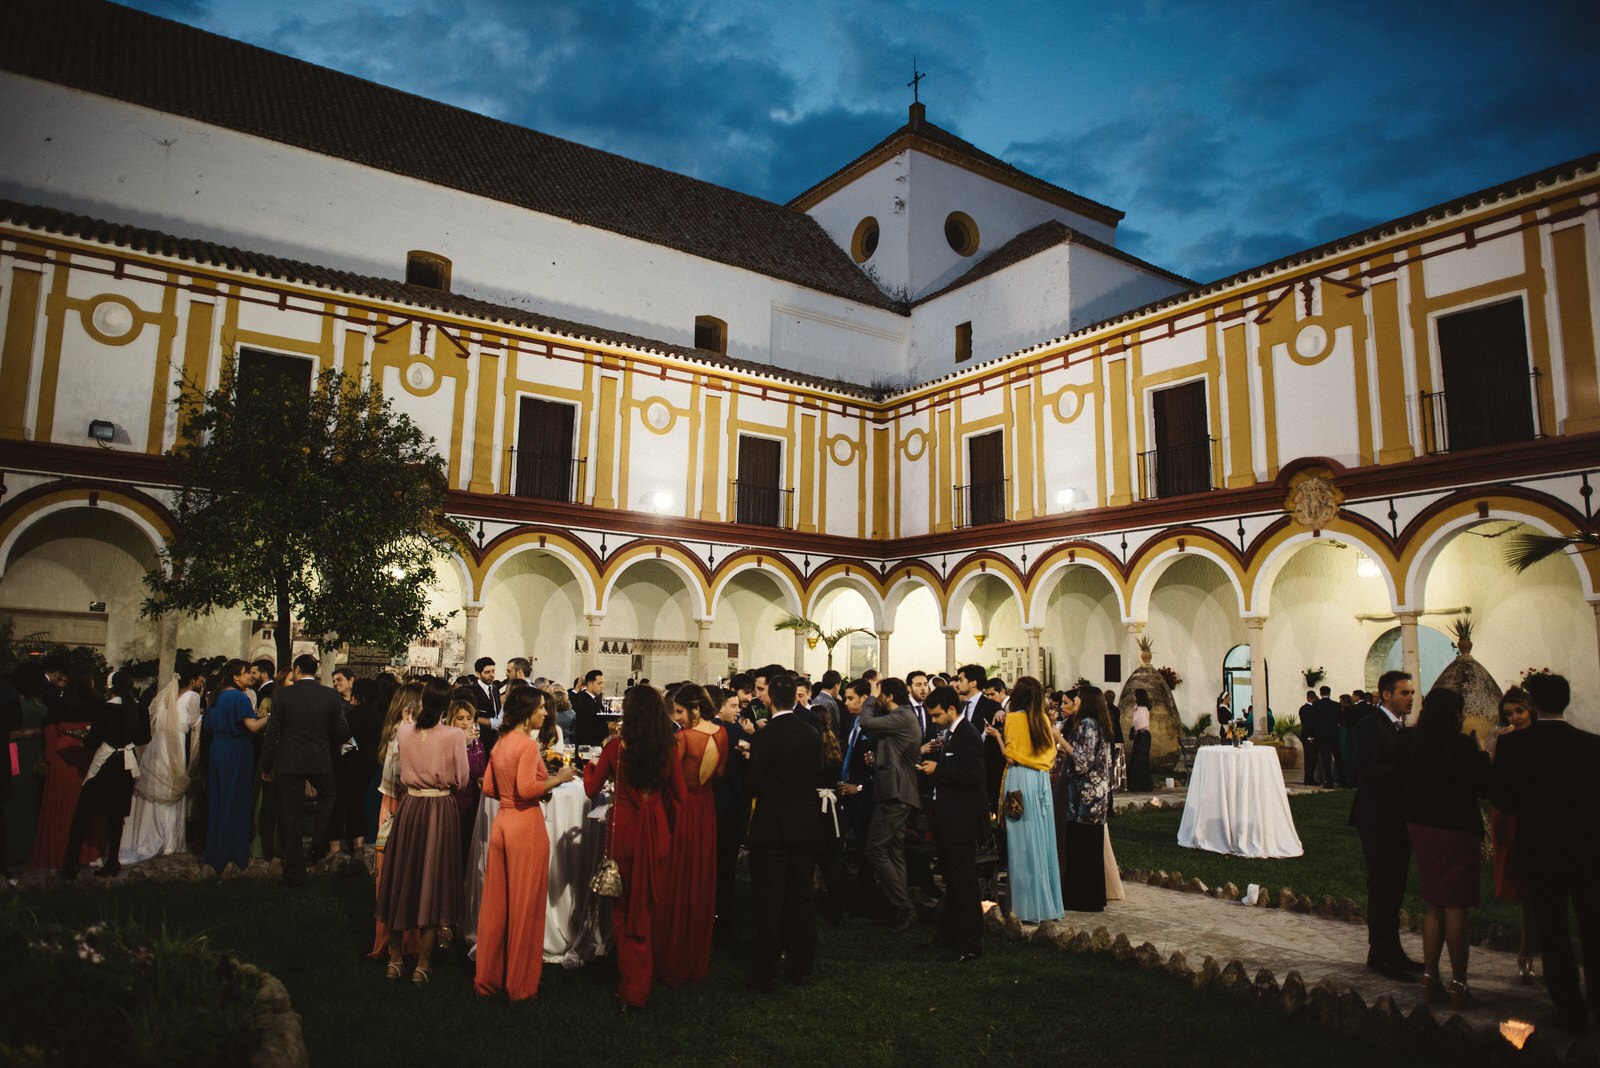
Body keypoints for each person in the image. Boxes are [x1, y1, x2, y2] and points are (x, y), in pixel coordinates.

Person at [1492, 673, 1600, 1036]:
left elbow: (1503, 799)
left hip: (1541, 847)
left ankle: (1569, 1007)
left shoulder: (1515, 746)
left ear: (1534, 703)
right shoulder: (1592, 745)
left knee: (1553, 930)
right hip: (1587, 847)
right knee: (1593, 925)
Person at [583, 684, 686, 1009]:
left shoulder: (616, 747)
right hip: (655, 831)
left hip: (624, 831)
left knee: (623, 911)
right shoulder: (668, 748)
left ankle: (633, 987)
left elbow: (591, 789)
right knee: (646, 906)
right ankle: (639, 982)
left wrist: (589, 767)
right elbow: (681, 795)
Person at [474, 686, 577, 1000]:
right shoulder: (528, 745)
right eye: (541, 708)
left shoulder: (502, 742)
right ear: (527, 711)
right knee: (525, 905)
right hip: (525, 825)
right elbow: (526, 788)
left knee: (496, 905)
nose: (545, 713)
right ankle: (519, 985)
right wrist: (559, 779)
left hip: (502, 824)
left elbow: (490, 787)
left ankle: (487, 979)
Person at [1398, 687, 1491, 1008]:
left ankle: (1429, 978)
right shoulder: (1463, 745)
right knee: (1456, 907)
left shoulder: (1413, 742)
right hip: (1456, 828)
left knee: (1434, 903)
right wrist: (1481, 752)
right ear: (1455, 714)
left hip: (1422, 826)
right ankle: (1458, 983)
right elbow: (1485, 786)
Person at [377, 680, 469, 983]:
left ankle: (394, 959)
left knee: (402, 875)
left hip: (411, 806)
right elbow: (463, 779)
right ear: (447, 705)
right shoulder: (455, 735)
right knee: (434, 879)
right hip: (439, 808)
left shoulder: (404, 731)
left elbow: (396, 769)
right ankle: (423, 965)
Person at [744, 672, 825, 991]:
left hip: (772, 827)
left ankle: (766, 969)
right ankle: (802, 964)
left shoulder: (767, 735)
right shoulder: (809, 731)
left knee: (769, 900)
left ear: (771, 700)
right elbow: (817, 770)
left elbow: (754, 783)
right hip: (805, 824)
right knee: (801, 896)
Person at [1349, 669, 1421, 980]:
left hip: (1398, 818)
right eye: (1405, 693)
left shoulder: (1401, 728)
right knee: (1382, 886)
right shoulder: (1370, 725)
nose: (1410, 698)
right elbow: (1369, 768)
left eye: (1412, 694)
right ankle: (1381, 952)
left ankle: (1392, 949)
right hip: (1377, 818)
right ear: (1387, 694)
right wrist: (1406, 772)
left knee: (1396, 887)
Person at [659, 683, 727, 986]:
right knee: (699, 876)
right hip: (705, 808)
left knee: (676, 877)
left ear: (695, 709)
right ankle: (695, 954)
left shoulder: (683, 738)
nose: (677, 716)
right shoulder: (722, 733)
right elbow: (720, 772)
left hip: (682, 808)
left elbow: (669, 778)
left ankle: (672, 955)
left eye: (680, 711)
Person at [262, 654, 348, 887]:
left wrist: (266, 763)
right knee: (329, 795)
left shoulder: (283, 695)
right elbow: (341, 729)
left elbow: (272, 732)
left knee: (291, 813)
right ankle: (319, 839)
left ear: (297, 669)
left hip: (290, 759)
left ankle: (294, 869)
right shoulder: (330, 695)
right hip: (319, 759)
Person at [916, 685, 985, 962]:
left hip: (962, 822)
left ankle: (969, 943)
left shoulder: (967, 736)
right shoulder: (952, 735)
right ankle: (950, 935)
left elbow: (973, 775)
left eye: (936, 715)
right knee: (952, 882)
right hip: (947, 819)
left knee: (964, 883)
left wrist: (938, 769)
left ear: (951, 710)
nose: (933, 721)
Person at [59, 669, 151, 878]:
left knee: (83, 812)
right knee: (116, 816)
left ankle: (71, 863)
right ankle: (112, 862)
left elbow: (92, 741)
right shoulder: (139, 708)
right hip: (125, 764)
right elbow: (144, 737)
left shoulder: (105, 708)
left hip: (106, 762)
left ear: (110, 687)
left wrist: (84, 739)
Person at [987, 676, 1063, 922]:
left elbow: (1010, 756)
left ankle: (1025, 906)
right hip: (1040, 781)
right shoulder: (1041, 719)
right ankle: (1046, 902)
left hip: (1019, 779)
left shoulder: (1014, 719)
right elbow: (1049, 752)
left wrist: (998, 738)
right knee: (1042, 838)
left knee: (1020, 842)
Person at [860, 677, 922, 934]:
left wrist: (870, 697)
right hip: (897, 792)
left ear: (889, 696)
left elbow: (865, 722)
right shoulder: (902, 718)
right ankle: (898, 909)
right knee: (894, 852)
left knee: (874, 850)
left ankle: (904, 906)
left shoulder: (902, 716)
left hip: (896, 793)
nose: (879, 700)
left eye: (882, 696)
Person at [120, 669, 203, 864]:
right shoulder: (193, 696)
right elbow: (193, 722)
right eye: (200, 679)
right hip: (175, 745)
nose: (201, 682)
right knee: (171, 784)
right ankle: (168, 840)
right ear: (193, 680)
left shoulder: (166, 695)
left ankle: (145, 832)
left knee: (155, 784)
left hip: (157, 745)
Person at [369, 682, 424, 961]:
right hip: (399, 803)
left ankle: (409, 937)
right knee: (398, 870)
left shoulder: (403, 732)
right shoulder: (400, 736)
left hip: (399, 801)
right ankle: (396, 940)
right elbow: (395, 778)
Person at [1488, 687, 1538, 982]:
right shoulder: (1506, 741)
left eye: (1519, 711)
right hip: (1515, 817)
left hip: (1542, 817)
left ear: (1530, 709)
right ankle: (1525, 953)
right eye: (1509, 713)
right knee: (1527, 891)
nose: (1515, 718)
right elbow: (1499, 783)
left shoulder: (1545, 738)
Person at [201, 660, 268, 873]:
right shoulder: (238, 698)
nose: (252, 675)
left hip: (218, 749)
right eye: (247, 672)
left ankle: (215, 851)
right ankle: (232, 853)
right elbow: (253, 726)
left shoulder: (217, 697)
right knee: (235, 800)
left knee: (219, 799)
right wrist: (272, 716)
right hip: (236, 751)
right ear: (235, 677)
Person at [1056, 682, 1113, 912]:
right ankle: (1093, 896)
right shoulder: (1100, 724)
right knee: (1091, 848)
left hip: (1084, 799)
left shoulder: (1087, 725)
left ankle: (1081, 897)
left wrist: (1059, 740)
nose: (1075, 700)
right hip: (1096, 797)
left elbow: (1082, 762)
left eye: (1078, 697)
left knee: (1081, 848)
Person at [572, 669, 608, 746]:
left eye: (602, 683)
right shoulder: (581, 699)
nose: (602, 686)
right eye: (599, 683)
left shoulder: (598, 699)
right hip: (588, 745)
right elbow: (587, 724)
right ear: (590, 684)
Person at [1127, 688, 1153, 791]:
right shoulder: (1137, 708)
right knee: (1137, 759)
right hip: (1140, 736)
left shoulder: (1142, 709)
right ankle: (1136, 784)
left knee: (1141, 760)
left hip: (1143, 735)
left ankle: (1141, 784)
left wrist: (1135, 731)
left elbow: (1142, 725)